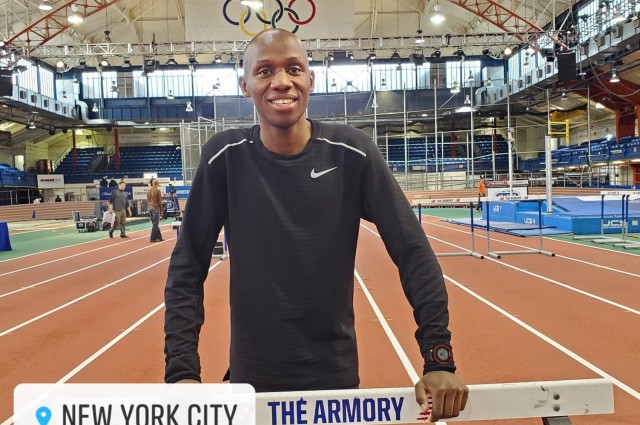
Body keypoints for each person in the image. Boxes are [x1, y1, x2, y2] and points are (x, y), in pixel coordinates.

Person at [163, 29, 467, 422]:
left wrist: (438, 358)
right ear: (245, 86)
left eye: (293, 69)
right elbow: (187, 267)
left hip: (334, 383)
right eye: (265, 71)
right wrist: (182, 374)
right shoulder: (224, 157)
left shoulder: (352, 153)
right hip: (251, 381)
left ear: (311, 79)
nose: (281, 82)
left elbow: (414, 253)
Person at [146, 178, 164, 242]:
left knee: (154, 223)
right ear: (157, 184)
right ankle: (152, 238)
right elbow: (160, 202)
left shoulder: (148, 191)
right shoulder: (157, 191)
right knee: (155, 224)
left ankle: (159, 237)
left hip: (149, 207)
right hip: (155, 208)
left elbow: (147, 200)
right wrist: (161, 211)